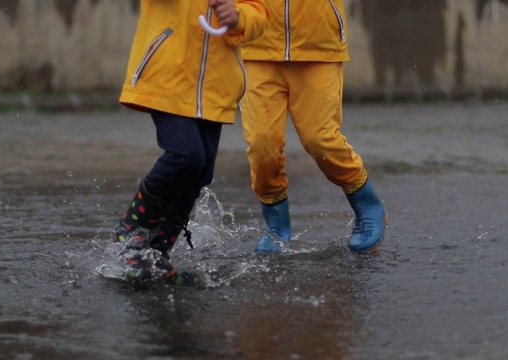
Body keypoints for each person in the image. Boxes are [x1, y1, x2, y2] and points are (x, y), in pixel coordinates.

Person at [114, 0, 268, 285]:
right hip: (168, 77)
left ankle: (158, 253)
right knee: (185, 156)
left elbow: (259, 12)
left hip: (215, 87)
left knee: (200, 172)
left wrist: (240, 17)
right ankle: (131, 238)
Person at [239, 1, 388, 254]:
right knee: (261, 144)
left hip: (319, 45)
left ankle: (367, 203)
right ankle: (277, 227)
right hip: (257, 45)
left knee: (319, 139)